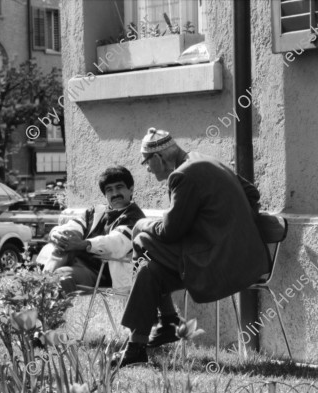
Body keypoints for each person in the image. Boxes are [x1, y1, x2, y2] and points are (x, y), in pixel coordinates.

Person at [114, 128, 269, 367]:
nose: (146, 168)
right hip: (239, 256)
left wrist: (143, 223)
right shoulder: (206, 160)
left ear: (159, 158)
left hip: (219, 262)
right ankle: (139, 346)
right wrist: (225, 225)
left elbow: (169, 231)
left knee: (141, 239)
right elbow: (252, 193)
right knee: (149, 270)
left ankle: (166, 321)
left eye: (146, 162)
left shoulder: (183, 175)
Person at [39, 166, 145, 292]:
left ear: (131, 189)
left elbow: (115, 243)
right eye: (109, 190)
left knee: (60, 277)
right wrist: (57, 234)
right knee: (67, 237)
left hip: (101, 273)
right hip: (75, 262)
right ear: (105, 195)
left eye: (119, 187)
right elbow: (73, 225)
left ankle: (42, 287)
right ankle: (42, 283)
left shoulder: (135, 218)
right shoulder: (96, 211)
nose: (115, 194)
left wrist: (83, 244)